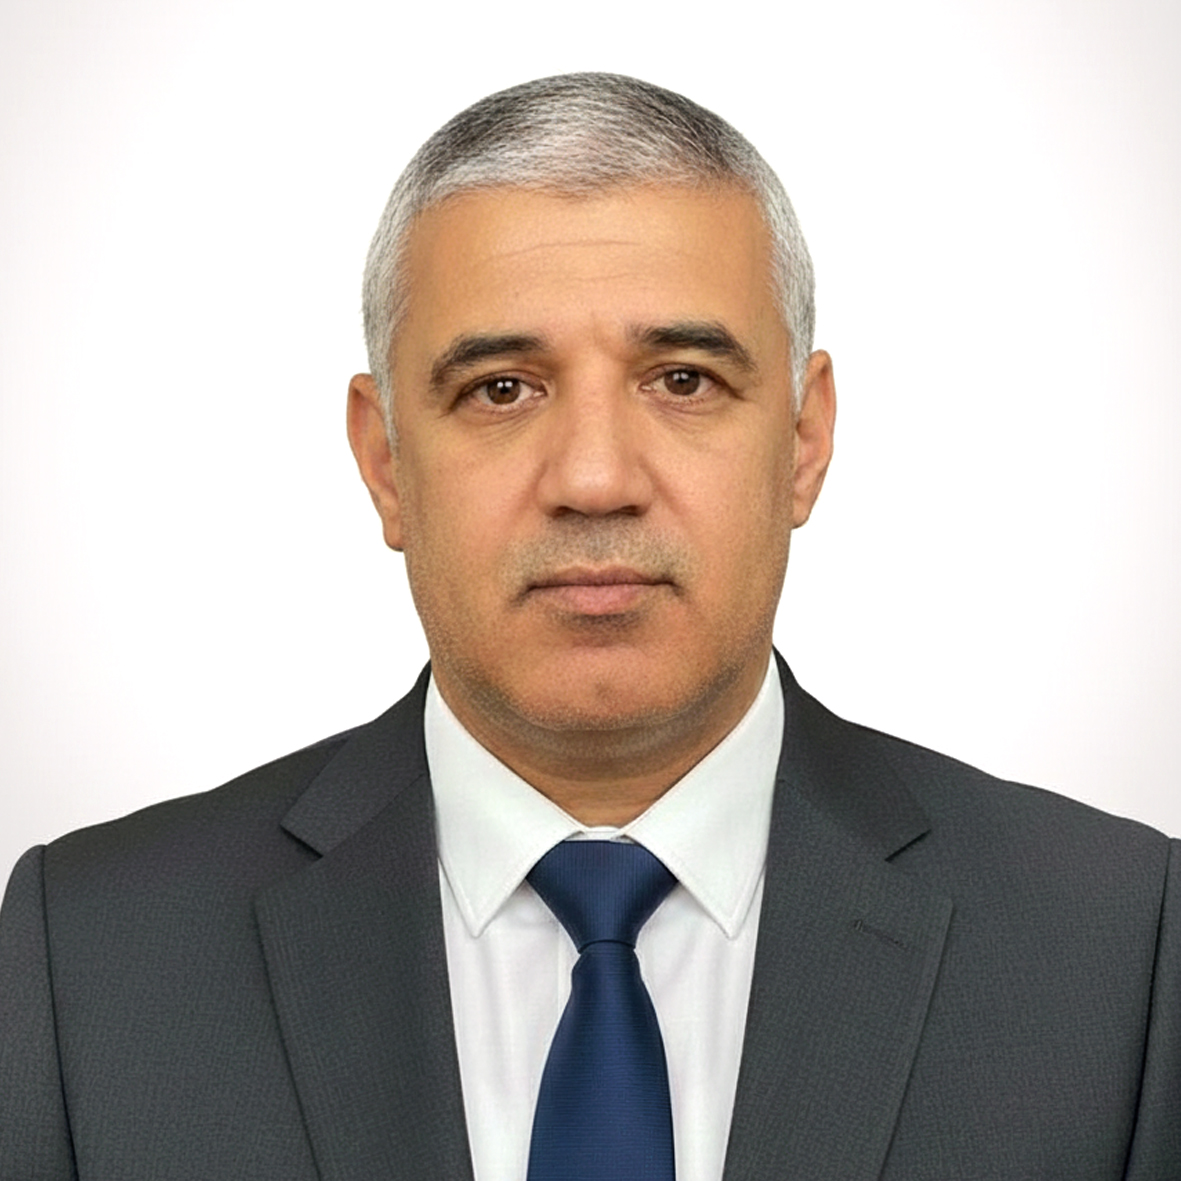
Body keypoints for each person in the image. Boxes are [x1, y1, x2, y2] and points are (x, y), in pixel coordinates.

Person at [1, 72, 1178, 1181]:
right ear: (385, 463)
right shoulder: (89, 958)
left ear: (804, 441)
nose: (596, 477)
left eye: (681, 379)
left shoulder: (1117, 946)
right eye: (500, 388)